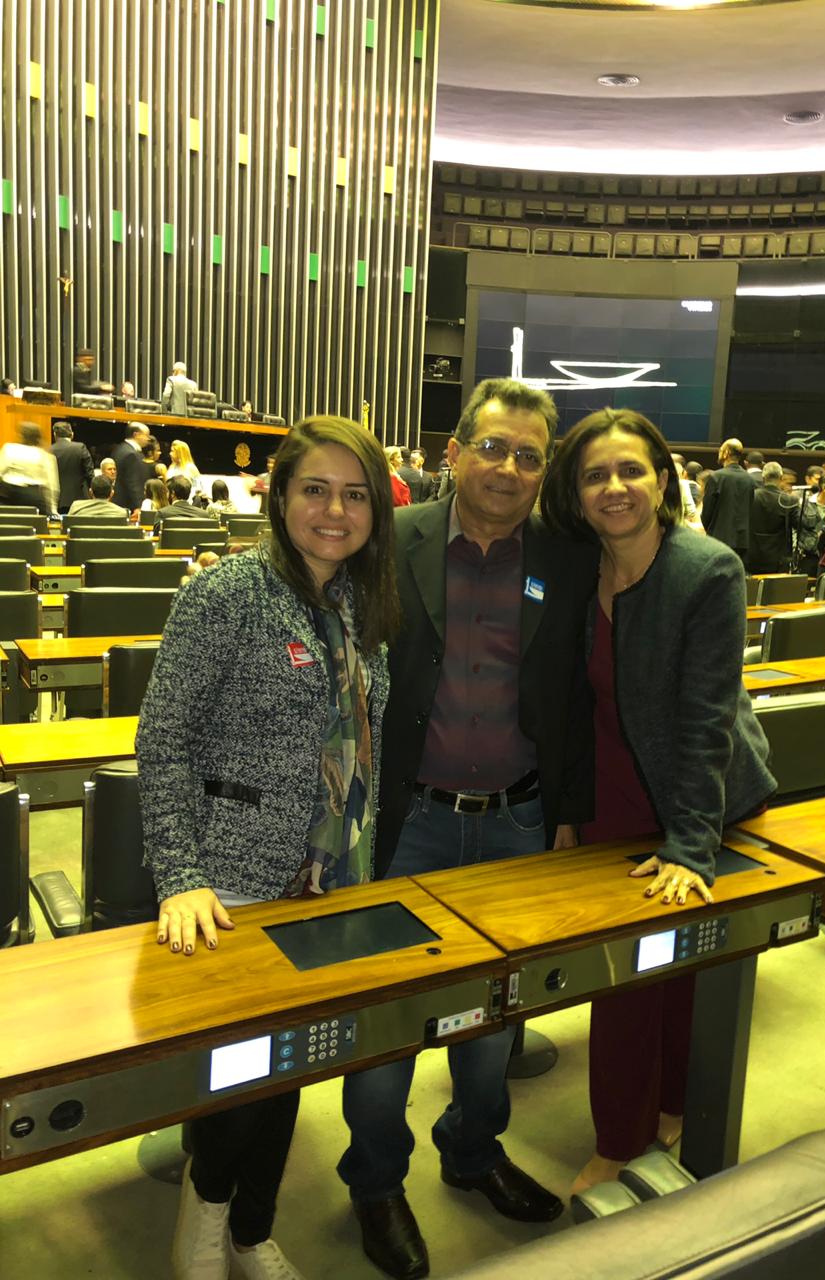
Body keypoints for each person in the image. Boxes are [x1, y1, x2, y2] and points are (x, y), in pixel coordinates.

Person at [338, 377, 597, 1280]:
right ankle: (375, 1181)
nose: (509, 467)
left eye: (530, 455)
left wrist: (567, 812)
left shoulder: (565, 559)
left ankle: (474, 1150)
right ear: (453, 452)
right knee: (387, 1021)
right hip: (407, 825)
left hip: (519, 823)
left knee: (499, 1016)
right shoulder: (391, 543)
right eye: (492, 446)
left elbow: (573, 694)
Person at [138, 416, 398, 1280]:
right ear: (279, 494)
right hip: (233, 884)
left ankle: (252, 1228)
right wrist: (180, 875)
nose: (335, 510)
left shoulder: (365, 607)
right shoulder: (229, 594)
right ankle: (205, 1225)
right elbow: (162, 738)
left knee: (293, 1070)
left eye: (355, 494)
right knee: (240, 1079)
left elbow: (368, 745)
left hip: (332, 885)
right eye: (315, 489)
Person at [539, 407, 775, 1193]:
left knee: (685, 966)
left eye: (631, 470)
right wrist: (567, 808)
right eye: (595, 474)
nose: (614, 487)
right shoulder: (575, 567)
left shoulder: (706, 569)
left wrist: (690, 845)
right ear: (575, 493)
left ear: (664, 479)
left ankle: (658, 1117)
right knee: (627, 978)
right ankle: (626, 1131)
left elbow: (707, 720)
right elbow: (570, 702)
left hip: (696, 792)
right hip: (611, 787)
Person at [700, 438, 754, 564]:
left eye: (721, 449)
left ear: (726, 453)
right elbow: (750, 509)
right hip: (742, 541)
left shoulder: (716, 477)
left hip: (719, 539)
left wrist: (711, 530)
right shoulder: (749, 479)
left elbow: (707, 512)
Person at [749, 462, 798, 574]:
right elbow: (797, 525)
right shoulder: (789, 500)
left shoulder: (751, 496)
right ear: (781, 478)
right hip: (779, 558)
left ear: (763, 477)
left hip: (753, 555)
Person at [0, 421, 59, 513]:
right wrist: (53, 509)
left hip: (9, 495)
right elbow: (52, 487)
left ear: (21, 435)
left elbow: (0, 471)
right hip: (33, 497)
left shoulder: (9, 449)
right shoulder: (45, 455)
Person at [50, 421, 94, 513]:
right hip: (79, 500)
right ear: (72, 434)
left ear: (55, 435)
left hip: (55, 501)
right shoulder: (80, 448)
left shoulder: (49, 450)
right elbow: (90, 474)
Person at [112, 422, 150, 511]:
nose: (148, 439)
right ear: (136, 434)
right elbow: (134, 482)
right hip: (128, 504)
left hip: (119, 502)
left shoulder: (120, 448)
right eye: (146, 435)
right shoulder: (131, 454)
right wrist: (139, 506)